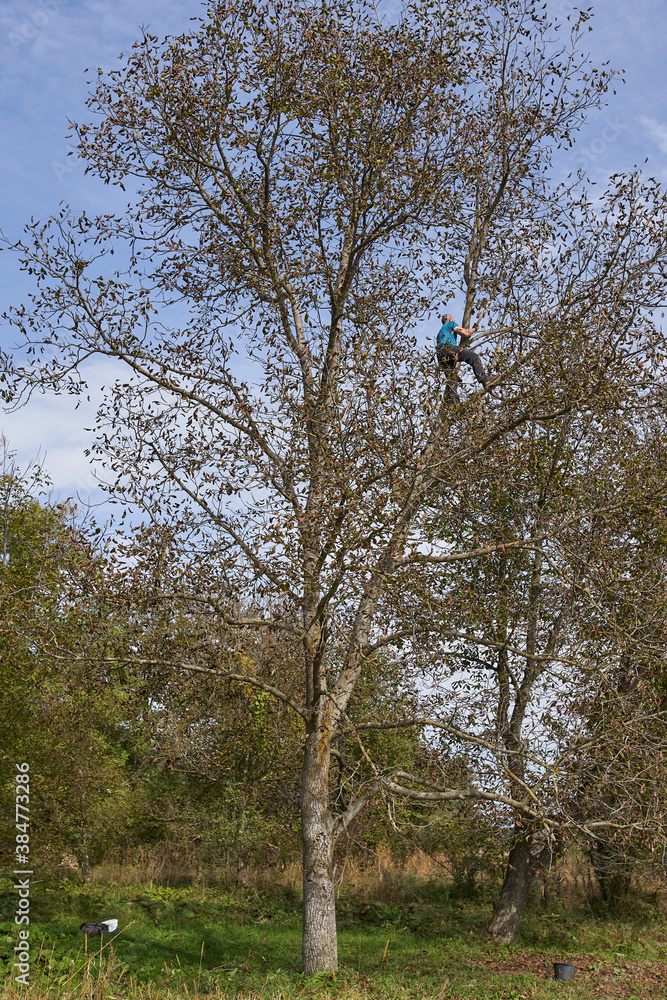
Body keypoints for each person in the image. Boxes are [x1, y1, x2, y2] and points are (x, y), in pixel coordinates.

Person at [436, 314, 493, 402]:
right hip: (447, 349)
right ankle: (485, 380)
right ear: (450, 319)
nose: (455, 321)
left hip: (440, 356)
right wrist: (475, 328)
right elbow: (466, 333)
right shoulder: (450, 324)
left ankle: (455, 404)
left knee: (452, 379)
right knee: (473, 356)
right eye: (454, 320)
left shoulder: (441, 332)